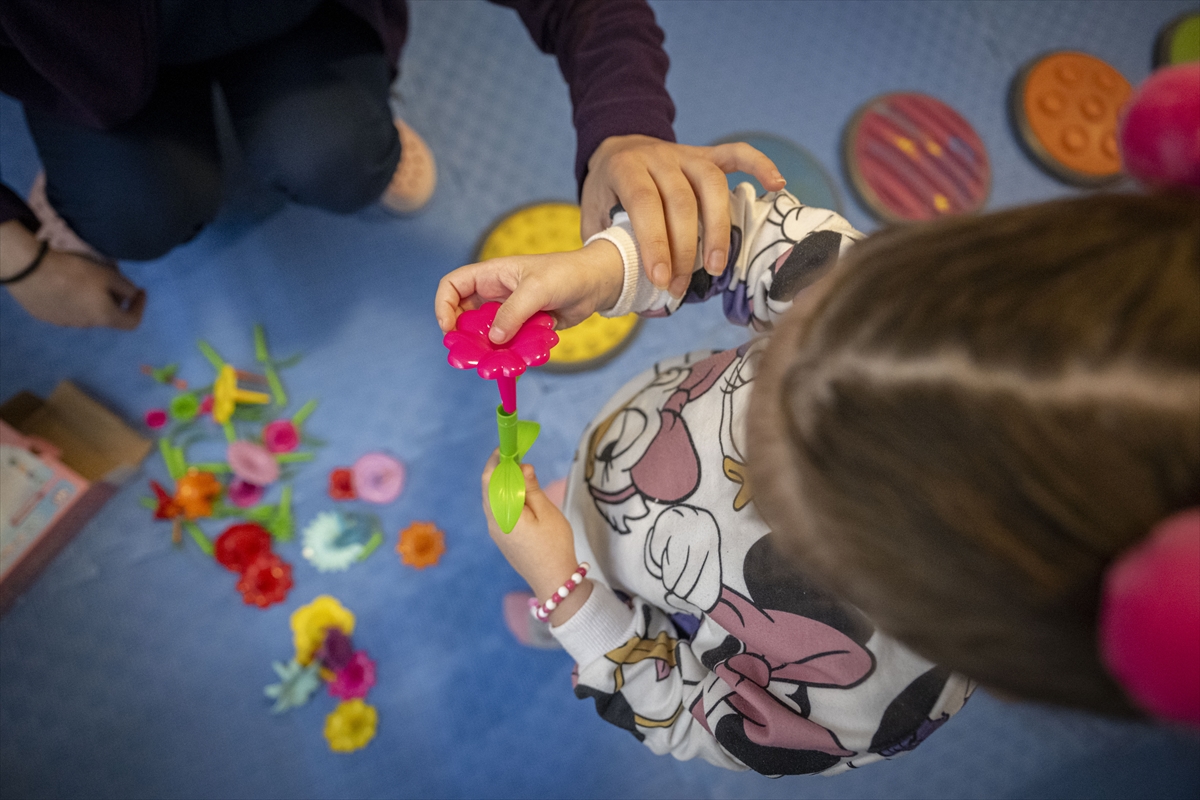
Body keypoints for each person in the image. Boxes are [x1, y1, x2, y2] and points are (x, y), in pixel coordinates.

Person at [435, 185, 1200, 774]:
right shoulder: (899, 306)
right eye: (786, 356)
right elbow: (752, 237)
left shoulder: (867, 708)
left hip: (641, 618)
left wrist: (573, 602)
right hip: (627, 455)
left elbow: (692, 714)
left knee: (577, 602)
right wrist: (610, 268)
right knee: (574, 500)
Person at [0, 0, 783, 329]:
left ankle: (357, 129)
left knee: (336, 154)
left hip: (299, 24)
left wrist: (625, 131)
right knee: (135, 216)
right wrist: (18, 260)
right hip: (90, 71)